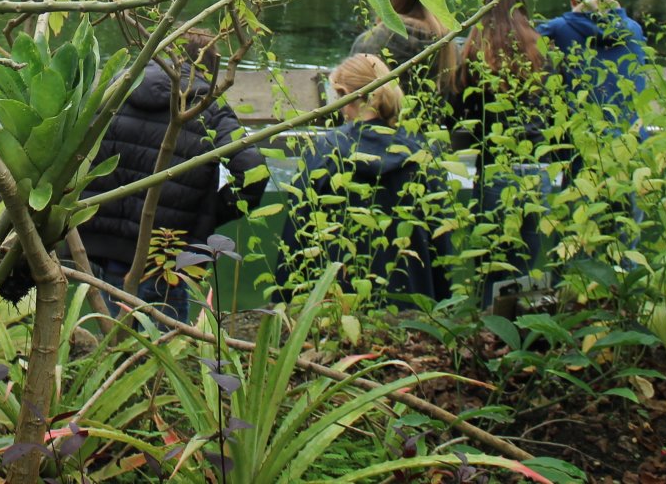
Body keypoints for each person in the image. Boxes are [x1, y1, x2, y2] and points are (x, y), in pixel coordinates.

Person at [78, 33, 266, 317]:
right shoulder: (206, 105)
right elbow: (254, 170)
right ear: (211, 68)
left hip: (104, 246)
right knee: (163, 345)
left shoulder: (117, 89)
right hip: (167, 253)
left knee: (112, 339)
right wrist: (213, 212)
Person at [282, 54, 445, 303]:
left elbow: (296, 234)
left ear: (344, 93)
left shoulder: (325, 150)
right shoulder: (420, 155)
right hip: (412, 300)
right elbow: (439, 240)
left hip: (336, 304)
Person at [453, 0, 553, 307]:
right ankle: (519, 340)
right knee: (524, 266)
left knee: (491, 265)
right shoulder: (542, 51)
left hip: (496, 168)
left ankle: (488, 335)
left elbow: (458, 111)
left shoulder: (474, 52)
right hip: (538, 170)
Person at [537, 0, 649, 132]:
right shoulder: (634, 29)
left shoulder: (558, 28)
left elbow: (522, 44)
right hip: (634, 140)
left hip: (585, 142)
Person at [351, 0, 460, 99]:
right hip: (433, 119)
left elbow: (353, 98)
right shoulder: (448, 45)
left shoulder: (369, 42)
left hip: (382, 119)